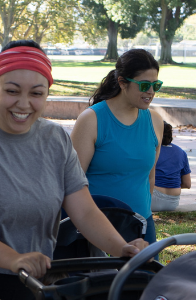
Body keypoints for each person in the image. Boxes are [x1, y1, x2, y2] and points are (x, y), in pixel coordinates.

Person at [0, 40, 147, 299]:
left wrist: (122, 248)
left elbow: (85, 211)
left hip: (31, 279)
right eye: (12, 91)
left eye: (36, 93)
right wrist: (14, 259)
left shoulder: (55, 138)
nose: (23, 104)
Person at [69, 49, 165, 244]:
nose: (151, 92)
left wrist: (145, 214)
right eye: (145, 85)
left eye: (156, 85)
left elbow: (150, 176)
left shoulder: (155, 120)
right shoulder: (92, 119)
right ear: (122, 82)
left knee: (146, 275)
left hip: (142, 225)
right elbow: (71, 183)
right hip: (96, 227)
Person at [152, 122, 191, 212]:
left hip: (151, 199)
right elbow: (187, 184)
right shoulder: (181, 152)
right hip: (173, 202)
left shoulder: (151, 150)